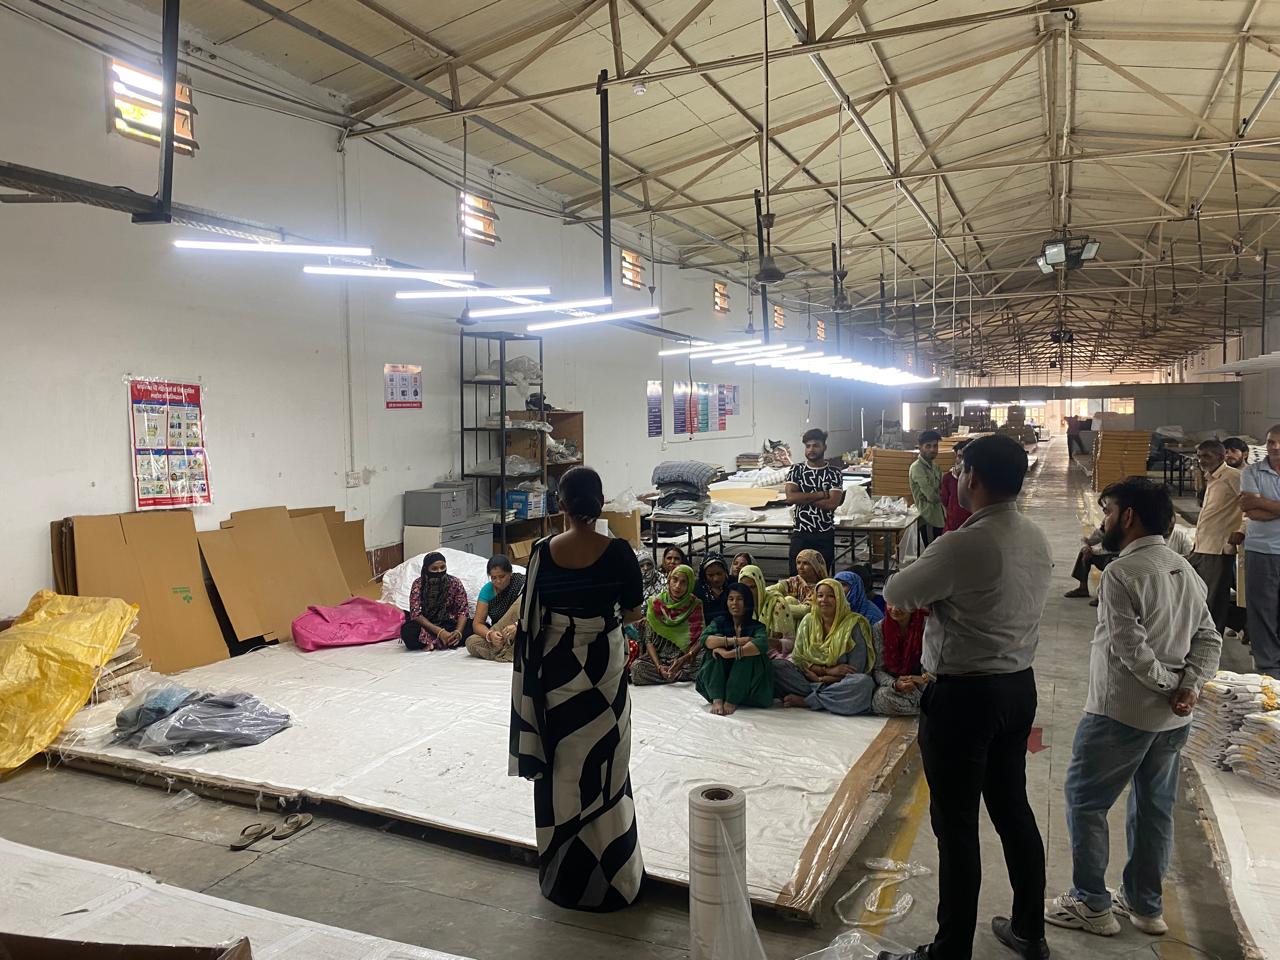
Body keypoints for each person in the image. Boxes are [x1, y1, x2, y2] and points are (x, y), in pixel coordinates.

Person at [879, 434, 1052, 960]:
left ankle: (950, 950)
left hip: (964, 699)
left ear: (973, 477)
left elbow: (896, 593)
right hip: (1017, 689)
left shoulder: (961, 543)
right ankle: (1029, 931)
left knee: (956, 828)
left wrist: (933, 600)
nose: (954, 476)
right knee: (1013, 809)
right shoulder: (1035, 537)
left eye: (959, 469)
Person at [1046, 478, 1221, 939]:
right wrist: (1187, 688)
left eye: (1108, 512)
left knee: (1086, 801)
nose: (1103, 521)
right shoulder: (1185, 571)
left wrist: (1170, 686)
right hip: (1171, 720)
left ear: (1128, 517)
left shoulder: (1122, 574)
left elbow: (1131, 650)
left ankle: (1091, 902)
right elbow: (1209, 638)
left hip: (1119, 714)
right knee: (1154, 807)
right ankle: (1144, 905)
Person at [508, 465, 646, 911]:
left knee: (563, 765)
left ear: (560, 504)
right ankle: (614, 877)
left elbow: (531, 616)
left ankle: (565, 879)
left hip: (556, 671)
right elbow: (633, 613)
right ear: (600, 503)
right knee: (607, 763)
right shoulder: (619, 553)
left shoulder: (542, 553)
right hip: (604, 668)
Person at [774, 579, 877, 714]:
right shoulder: (808, 621)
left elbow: (855, 670)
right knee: (777, 666)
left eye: (831, 596)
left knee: (863, 683)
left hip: (840, 683)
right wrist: (827, 671)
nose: (824, 600)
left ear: (839, 599)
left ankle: (808, 701)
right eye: (820, 595)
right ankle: (828, 698)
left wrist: (821, 679)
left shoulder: (854, 624)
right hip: (808, 680)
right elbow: (799, 659)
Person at [1187, 440, 1245, 634]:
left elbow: (1250, 507)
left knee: (1214, 600)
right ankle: (1243, 622)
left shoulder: (1233, 477)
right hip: (1201, 545)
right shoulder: (1210, 478)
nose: (1201, 460)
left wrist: (1241, 530)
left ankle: (1212, 639)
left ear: (1220, 457)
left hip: (1218, 547)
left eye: (1206, 456)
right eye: (1199, 456)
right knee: (1195, 594)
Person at [1240, 424, 1280, 678]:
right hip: (1261, 550)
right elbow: (1249, 509)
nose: (1275, 447)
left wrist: (1262, 504)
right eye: (1271, 442)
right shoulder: (1251, 472)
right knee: (1262, 609)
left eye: (1279, 442)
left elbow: (1257, 506)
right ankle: (1269, 666)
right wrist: (1257, 506)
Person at [697, 582, 774, 714]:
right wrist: (735, 641)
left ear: (747, 602)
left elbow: (762, 644)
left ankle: (732, 699)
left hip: (750, 688)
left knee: (748, 652)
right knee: (714, 649)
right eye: (731, 599)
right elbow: (704, 639)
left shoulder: (757, 626)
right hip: (723, 680)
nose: (734, 603)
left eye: (740, 599)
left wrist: (730, 653)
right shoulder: (719, 622)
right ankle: (717, 698)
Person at [630, 564, 704, 685]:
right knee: (637, 668)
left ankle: (676, 674)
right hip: (659, 657)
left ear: (690, 585)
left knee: (705, 660)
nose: (677, 586)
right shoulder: (656, 603)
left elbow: (700, 638)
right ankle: (673, 675)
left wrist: (683, 660)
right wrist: (659, 666)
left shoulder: (695, 605)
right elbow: (649, 640)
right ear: (669, 580)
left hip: (683, 658)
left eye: (683, 582)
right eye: (675, 580)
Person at [784, 427, 845, 574]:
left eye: (816, 445)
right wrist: (822, 494)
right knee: (796, 577)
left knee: (821, 577)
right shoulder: (796, 470)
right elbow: (791, 497)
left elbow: (832, 504)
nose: (811, 449)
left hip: (824, 533)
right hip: (800, 532)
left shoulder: (834, 473)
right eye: (808, 446)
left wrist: (803, 498)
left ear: (824, 447)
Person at [402, 552, 470, 651]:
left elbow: (463, 610)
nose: (439, 571)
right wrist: (440, 632)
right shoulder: (419, 584)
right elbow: (416, 614)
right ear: (426, 569)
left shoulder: (454, 582)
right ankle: (444, 641)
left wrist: (458, 632)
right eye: (434, 569)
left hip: (449, 624)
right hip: (427, 626)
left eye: (442, 567)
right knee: (408, 631)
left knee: (473, 626)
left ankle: (440, 641)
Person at [466, 555, 526, 662]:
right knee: (471, 642)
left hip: (521, 628)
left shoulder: (521, 583)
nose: (498, 581)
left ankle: (506, 651)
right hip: (500, 633)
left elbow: (535, 611)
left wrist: (517, 626)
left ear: (510, 573)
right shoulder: (487, 590)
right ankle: (510, 651)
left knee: (522, 600)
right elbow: (477, 624)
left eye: (502, 576)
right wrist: (490, 635)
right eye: (493, 578)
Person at [872, 604, 926, 716]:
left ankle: (925, 705)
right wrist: (895, 684)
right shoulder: (879, 628)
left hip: (921, 681)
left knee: (939, 690)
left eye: (901, 603)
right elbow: (878, 670)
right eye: (891, 603)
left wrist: (920, 679)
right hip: (895, 684)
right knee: (880, 697)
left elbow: (932, 669)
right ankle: (926, 708)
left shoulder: (926, 626)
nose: (895, 609)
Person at [909, 430, 946, 546]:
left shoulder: (935, 467)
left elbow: (945, 489)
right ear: (920, 447)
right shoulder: (917, 468)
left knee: (940, 550)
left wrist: (941, 494)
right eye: (928, 446)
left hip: (940, 516)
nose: (932, 449)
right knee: (931, 550)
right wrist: (940, 495)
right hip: (928, 518)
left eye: (935, 446)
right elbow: (932, 497)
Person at [1064, 526, 1115, 603]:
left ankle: (1105, 595)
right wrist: (1086, 547)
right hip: (1106, 555)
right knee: (1084, 552)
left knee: (1112, 562)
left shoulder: (1124, 529)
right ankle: (1083, 588)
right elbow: (1088, 540)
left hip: (1119, 558)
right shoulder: (1106, 526)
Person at [940, 438, 973, 533]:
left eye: (966, 458)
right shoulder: (948, 478)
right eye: (959, 456)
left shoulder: (978, 479)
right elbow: (945, 501)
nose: (962, 461)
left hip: (972, 529)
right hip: (952, 528)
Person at [694, 554, 731, 622]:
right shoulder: (697, 589)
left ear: (725, 571)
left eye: (719, 574)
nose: (716, 579)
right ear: (704, 575)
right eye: (710, 575)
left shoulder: (732, 585)